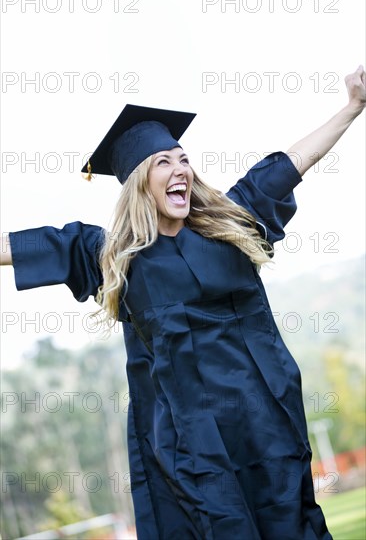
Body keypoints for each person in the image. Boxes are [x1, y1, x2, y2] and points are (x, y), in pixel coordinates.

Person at [1, 66, 365, 540]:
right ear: (139, 183)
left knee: (290, 524)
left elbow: (293, 161)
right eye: (163, 163)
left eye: (183, 160)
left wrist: (353, 106)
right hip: (190, 444)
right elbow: (32, 246)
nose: (180, 171)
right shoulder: (115, 257)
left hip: (264, 422)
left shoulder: (233, 225)